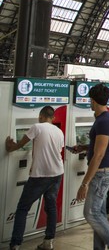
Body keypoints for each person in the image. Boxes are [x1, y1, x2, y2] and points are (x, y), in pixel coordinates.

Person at [74, 83, 109, 250]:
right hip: (102, 171)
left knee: (91, 213)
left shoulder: (104, 121)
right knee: (99, 214)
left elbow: (99, 155)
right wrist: (84, 148)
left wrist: (85, 183)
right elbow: (99, 147)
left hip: (101, 173)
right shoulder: (105, 119)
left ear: (93, 100)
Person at [6, 106, 64, 250]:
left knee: (22, 208)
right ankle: (48, 242)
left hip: (40, 176)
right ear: (53, 118)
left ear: (41, 116)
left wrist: (10, 147)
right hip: (56, 173)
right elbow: (52, 151)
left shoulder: (36, 127)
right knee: (51, 207)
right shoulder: (59, 131)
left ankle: (15, 244)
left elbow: (21, 144)